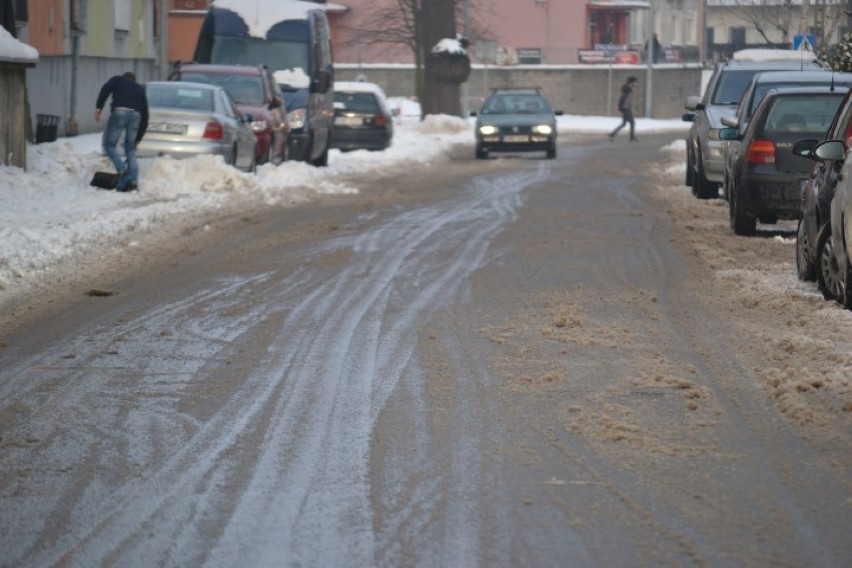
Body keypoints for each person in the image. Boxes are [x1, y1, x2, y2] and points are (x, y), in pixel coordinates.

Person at [95, 71, 149, 192]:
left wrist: (99, 107)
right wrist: (138, 139)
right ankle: (133, 182)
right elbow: (145, 116)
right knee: (130, 148)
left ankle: (122, 171)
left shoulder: (117, 79)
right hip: (136, 115)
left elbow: (106, 88)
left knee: (109, 145)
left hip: (120, 111)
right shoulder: (140, 89)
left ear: (124, 78)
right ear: (133, 81)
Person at [608, 76, 638, 142]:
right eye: (635, 82)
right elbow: (622, 98)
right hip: (625, 108)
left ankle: (612, 134)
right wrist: (620, 107)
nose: (636, 84)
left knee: (624, 124)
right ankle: (632, 137)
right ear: (631, 82)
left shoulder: (628, 89)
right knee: (632, 122)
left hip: (626, 108)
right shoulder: (626, 89)